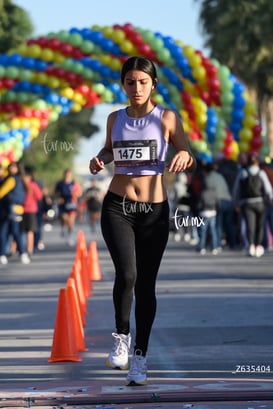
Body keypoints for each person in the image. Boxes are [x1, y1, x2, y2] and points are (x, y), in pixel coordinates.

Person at [89, 56, 196, 386]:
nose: (136, 88)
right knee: (128, 273)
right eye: (130, 82)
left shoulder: (166, 117)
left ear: (153, 85)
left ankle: (140, 356)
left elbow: (188, 153)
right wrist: (99, 159)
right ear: (123, 85)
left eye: (142, 82)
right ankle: (121, 337)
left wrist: (181, 155)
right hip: (117, 206)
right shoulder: (114, 118)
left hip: (154, 211)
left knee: (146, 283)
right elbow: (109, 150)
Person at [233, 152, 273, 257]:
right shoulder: (261, 173)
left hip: (247, 202)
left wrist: (236, 202)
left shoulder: (243, 172)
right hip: (260, 202)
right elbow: (268, 188)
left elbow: (236, 189)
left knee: (250, 226)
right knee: (260, 225)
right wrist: (270, 198)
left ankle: (251, 245)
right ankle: (259, 245)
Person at [0, 162, 30, 264]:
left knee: (8, 232)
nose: (11, 168)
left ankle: (4, 254)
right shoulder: (21, 179)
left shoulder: (12, 179)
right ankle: (21, 253)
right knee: (14, 232)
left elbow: (1, 192)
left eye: (13, 167)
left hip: (11, 209)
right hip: (18, 209)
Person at [54, 169, 82, 246]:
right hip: (63, 204)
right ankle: (63, 227)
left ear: (71, 175)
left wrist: (75, 194)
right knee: (64, 218)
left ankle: (69, 236)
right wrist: (58, 198)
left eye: (69, 174)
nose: (67, 176)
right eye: (66, 174)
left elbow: (79, 193)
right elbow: (55, 193)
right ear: (64, 175)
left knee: (71, 221)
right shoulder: (60, 184)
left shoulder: (74, 183)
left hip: (72, 204)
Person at [21, 167, 43, 258]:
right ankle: (18, 249)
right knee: (20, 231)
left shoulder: (33, 185)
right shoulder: (21, 185)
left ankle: (29, 249)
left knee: (30, 231)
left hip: (30, 211)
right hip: (21, 210)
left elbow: (39, 196)